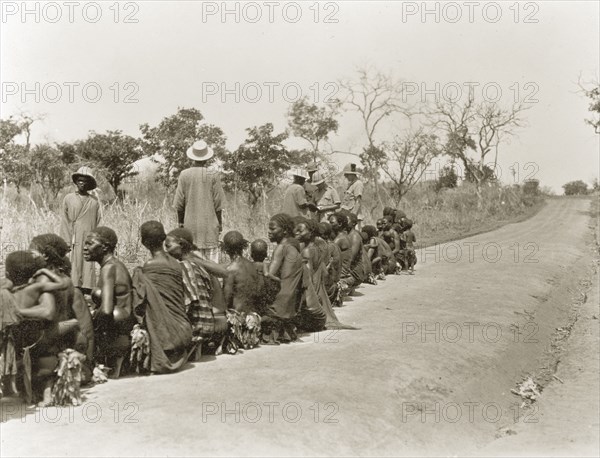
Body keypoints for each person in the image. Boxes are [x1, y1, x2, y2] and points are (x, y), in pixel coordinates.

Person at [30, 234, 94, 381]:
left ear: (45, 256)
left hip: (46, 341)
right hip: (58, 340)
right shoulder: (67, 283)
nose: (28, 257)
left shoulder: (37, 282)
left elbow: (85, 328)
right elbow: (86, 327)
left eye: (32, 254)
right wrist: (88, 363)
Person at [131, 221, 193, 374]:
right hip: (184, 331)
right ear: (164, 238)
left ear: (144, 243)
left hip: (168, 336)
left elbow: (140, 301)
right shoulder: (176, 264)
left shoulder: (149, 267)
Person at [165, 228, 228, 358]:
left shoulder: (185, 267)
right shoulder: (201, 266)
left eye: (168, 246)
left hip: (198, 326)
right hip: (211, 322)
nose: (166, 250)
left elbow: (187, 305)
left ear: (181, 245)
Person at [83, 227, 135, 378]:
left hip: (118, 324)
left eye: (90, 244)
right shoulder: (114, 264)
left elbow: (106, 310)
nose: (85, 248)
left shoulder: (109, 268)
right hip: (124, 324)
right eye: (85, 244)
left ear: (104, 247)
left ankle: (110, 355)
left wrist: (90, 319)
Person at [174, 140, 225, 263]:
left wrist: (181, 223)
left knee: (191, 264)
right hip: (209, 228)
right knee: (212, 266)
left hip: (190, 228)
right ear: (207, 158)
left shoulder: (184, 174)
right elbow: (218, 204)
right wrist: (219, 223)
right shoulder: (213, 175)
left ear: (192, 157)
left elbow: (179, 204)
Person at [261, 214, 304, 344]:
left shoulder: (281, 248)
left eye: (273, 229)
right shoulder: (293, 246)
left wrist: (262, 264)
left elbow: (269, 276)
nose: (269, 232)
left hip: (279, 304)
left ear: (284, 230)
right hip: (291, 304)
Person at [59, 166, 100, 292]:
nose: (82, 183)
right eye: (80, 180)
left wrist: (95, 239)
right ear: (76, 182)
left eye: (85, 181)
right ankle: (75, 287)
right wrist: (66, 240)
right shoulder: (69, 198)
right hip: (74, 236)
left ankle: (87, 289)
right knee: (74, 263)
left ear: (89, 183)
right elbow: (65, 220)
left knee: (88, 262)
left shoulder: (94, 201)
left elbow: (98, 221)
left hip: (88, 236)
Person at [222, 231, 262, 314]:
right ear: (243, 246)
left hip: (237, 316)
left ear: (225, 249)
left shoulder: (231, 270)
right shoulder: (252, 266)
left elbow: (226, 299)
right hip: (253, 315)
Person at [328, 212, 352, 300]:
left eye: (332, 223)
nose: (329, 225)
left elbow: (328, 253)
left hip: (342, 275)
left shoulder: (340, 239)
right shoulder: (344, 236)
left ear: (340, 224)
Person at [340, 163, 364, 229]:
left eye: (347, 174)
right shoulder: (350, 184)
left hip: (354, 219)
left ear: (352, 174)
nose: (345, 176)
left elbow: (358, 202)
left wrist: (352, 217)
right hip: (348, 217)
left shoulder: (358, 184)